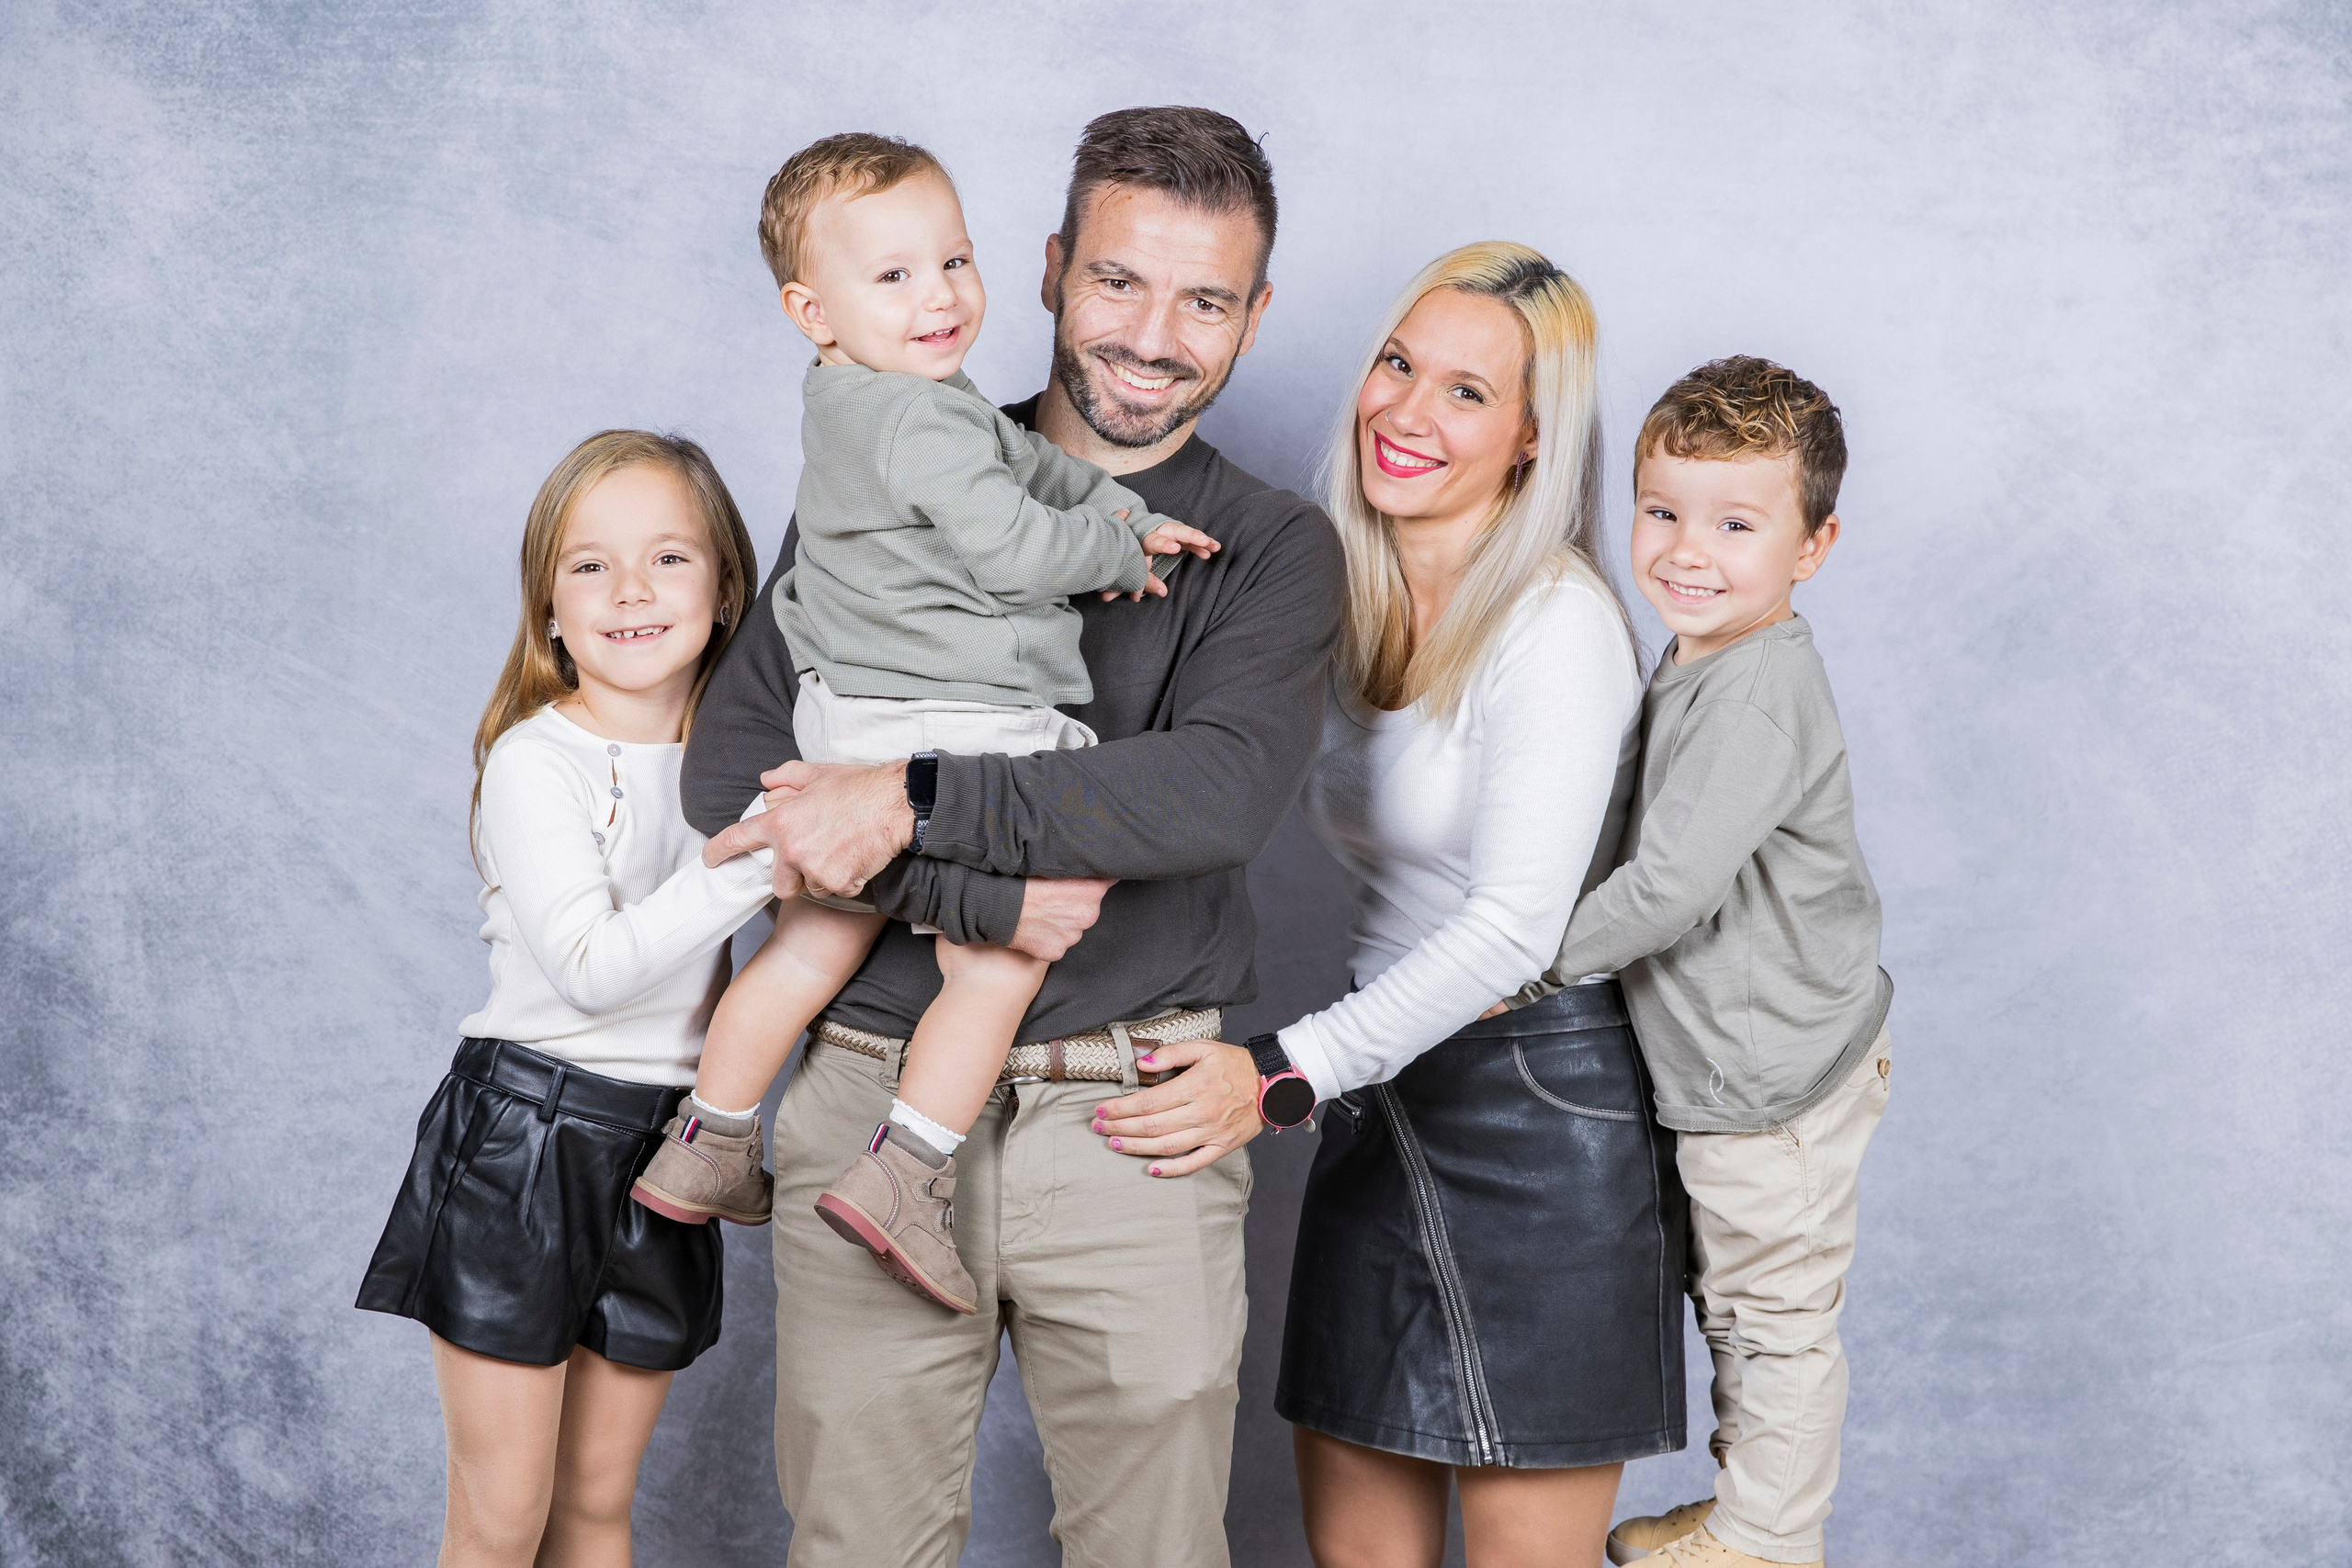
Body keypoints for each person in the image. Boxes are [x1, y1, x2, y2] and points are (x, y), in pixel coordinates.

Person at [682, 107, 1344, 1567]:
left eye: (1207, 299)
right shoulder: (891, 456)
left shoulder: (1276, 543)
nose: (1155, 334)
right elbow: (740, 776)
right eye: (1118, 281)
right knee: (857, 1545)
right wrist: (982, 891)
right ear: (1048, 270)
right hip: (862, 1086)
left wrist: (904, 800)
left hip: (1130, 1122)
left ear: (1255, 317)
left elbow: (1210, 795)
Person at [627, 131, 1218, 1321]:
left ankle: (707, 1137)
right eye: (893, 276)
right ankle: (907, 1171)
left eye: (951, 259)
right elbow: (1007, 537)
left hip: (844, 714)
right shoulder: (921, 423)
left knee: (807, 943)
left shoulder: (863, 400)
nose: (940, 294)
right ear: (812, 308)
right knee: (998, 963)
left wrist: (1104, 497)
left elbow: (1018, 462)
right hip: (964, 721)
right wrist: (1116, 548)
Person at [1170, 242, 1686, 1568]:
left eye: (1466, 392)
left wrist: (1279, 1075)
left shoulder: (1555, 622)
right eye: (1398, 363)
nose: (1406, 412)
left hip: (1539, 1120)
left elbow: (1515, 925)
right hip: (1378, 1083)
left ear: (1528, 438)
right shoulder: (1326, 584)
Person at [356, 431, 771, 1566]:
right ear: (547, 605)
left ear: (728, 586)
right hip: (523, 1141)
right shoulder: (538, 761)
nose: (631, 590)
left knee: (594, 1510)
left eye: (669, 558)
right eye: (590, 565)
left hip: (670, 1150)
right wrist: (770, 855)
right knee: (503, 1519)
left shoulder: (745, 768)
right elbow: (592, 966)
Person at [1520, 357, 1892, 1568]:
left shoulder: (1758, 688)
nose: (1688, 549)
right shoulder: (1700, 650)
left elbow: (1670, 886)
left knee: (1770, 1316)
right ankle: (1748, 1508)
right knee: (1731, 1296)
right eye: (1664, 510)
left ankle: (1767, 1540)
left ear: (1813, 545)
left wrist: (1523, 961)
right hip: (1733, 1060)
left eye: (1737, 524)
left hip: (1774, 1078)